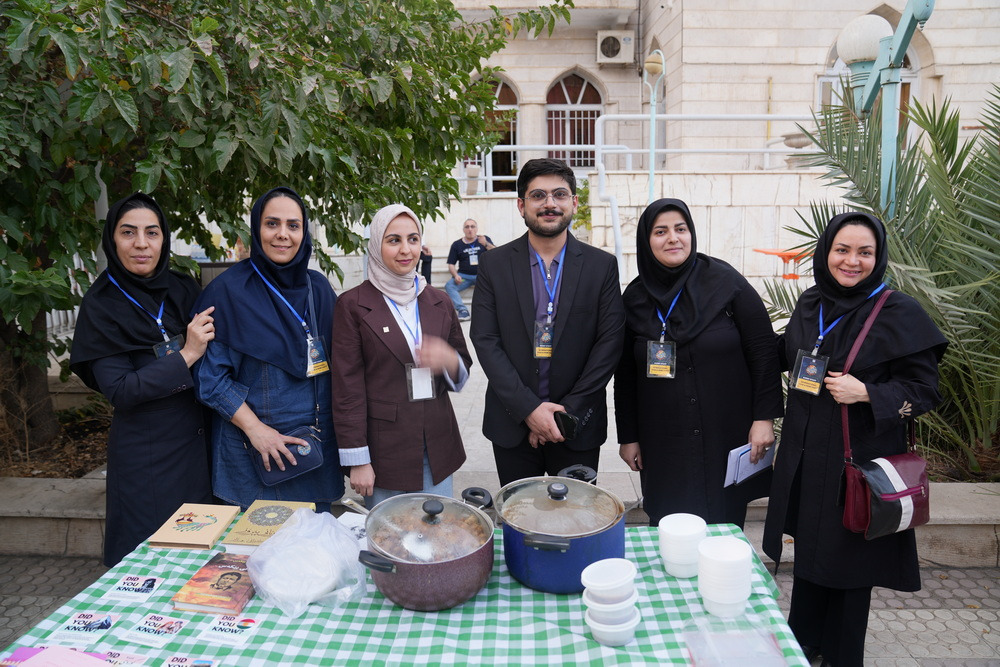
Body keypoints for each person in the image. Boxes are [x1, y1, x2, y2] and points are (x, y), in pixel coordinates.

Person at [763, 212, 947, 666]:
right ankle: (805, 641)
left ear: (878, 257)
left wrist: (868, 393)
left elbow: (926, 392)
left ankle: (843, 655)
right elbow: (784, 353)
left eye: (865, 252)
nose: (852, 261)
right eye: (842, 250)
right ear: (826, 252)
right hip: (807, 457)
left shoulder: (898, 312)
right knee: (810, 552)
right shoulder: (811, 303)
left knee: (847, 564)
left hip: (856, 464)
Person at [614, 198, 783, 528]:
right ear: (646, 241)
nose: (673, 238)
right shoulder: (634, 299)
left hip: (724, 430)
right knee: (668, 526)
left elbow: (763, 352)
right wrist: (628, 436)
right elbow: (626, 374)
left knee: (724, 525)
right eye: (660, 231)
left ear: (691, 233)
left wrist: (764, 418)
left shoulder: (727, 284)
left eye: (681, 229)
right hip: (663, 439)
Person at [70, 192, 215, 566]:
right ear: (112, 239)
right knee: (152, 566)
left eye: (152, 232)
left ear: (164, 238)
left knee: (201, 567)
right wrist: (186, 355)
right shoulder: (101, 304)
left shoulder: (183, 288)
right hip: (148, 461)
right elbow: (121, 389)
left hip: (202, 452)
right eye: (128, 232)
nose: (141, 243)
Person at [471, 158, 625, 485]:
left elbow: (609, 344)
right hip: (512, 424)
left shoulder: (601, 266)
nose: (550, 203)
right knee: (517, 513)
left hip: (577, 425)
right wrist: (530, 410)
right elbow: (485, 340)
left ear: (575, 203)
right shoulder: (493, 264)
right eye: (538, 195)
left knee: (577, 514)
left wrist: (563, 415)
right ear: (521, 205)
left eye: (560, 194)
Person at [193, 187, 345, 509]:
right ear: (256, 228)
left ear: (304, 233)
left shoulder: (318, 289)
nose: (283, 234)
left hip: (314, 450)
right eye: (272, 223)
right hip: (255, 456)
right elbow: (211, 380)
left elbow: (344, 368)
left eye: (293, 225)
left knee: (316, 539)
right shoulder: (229, 292)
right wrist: (257, 430)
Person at [332, 204, 473, 507]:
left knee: (438, 528)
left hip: (437, 444)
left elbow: (462, 366)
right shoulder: (353, 305)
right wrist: (358, 459)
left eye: (413, 239)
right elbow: (347, 388)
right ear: (376, 244)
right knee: (390, 531)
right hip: (385, 450)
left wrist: (449, 360)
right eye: (393, 240)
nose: (405, 250)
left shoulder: (439, 300)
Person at [444, 218, 494, 321]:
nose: (470, 229)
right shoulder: (457, 244)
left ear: (477, 229)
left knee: (497, 283)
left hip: (482, 276)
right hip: (464, 277)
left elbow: (496, 254)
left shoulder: (484, 239)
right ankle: (463, 310)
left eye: (472, 226)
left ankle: (491, 310)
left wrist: (485, 243)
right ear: (463, 230)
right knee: (449, 285)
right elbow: (451, 264)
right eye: (467, 227)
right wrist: (455, 275)